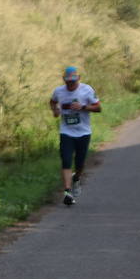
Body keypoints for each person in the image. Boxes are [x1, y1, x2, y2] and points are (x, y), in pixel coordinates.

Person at [49, 66, 100, 205]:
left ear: (79, 78)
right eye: (68, 81)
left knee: (80, 163)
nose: (70, 84)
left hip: (83, 132)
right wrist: (55, 110)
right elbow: (52, 102)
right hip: (66, 132)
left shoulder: (87, 90)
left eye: (73, 81)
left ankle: (76, 178)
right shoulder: (59, 91)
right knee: (66, 160)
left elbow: (98, 107)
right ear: (64, 80)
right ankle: (67, 192)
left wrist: (83, 107)